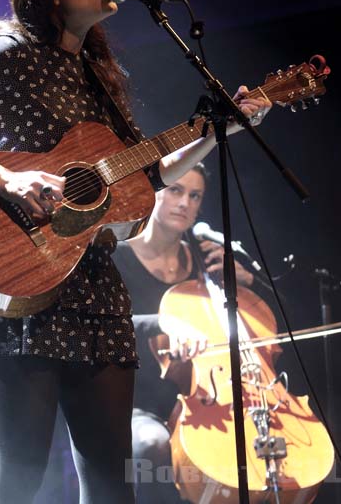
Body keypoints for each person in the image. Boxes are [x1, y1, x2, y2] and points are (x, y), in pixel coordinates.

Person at [0, 0, 270, 504]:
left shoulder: (100, 77)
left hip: (95, 292)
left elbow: (140, 180)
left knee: (111, 479)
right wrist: (4, 176)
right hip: (17, 273)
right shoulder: (8, 49)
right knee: (20, 476)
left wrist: (219, 131)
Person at [112, 163, 258, 503]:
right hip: (134, 402)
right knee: (153, 445)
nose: (184, 203)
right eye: (175, 190)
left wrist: (246, 283)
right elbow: (102, 324)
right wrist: (164, 322)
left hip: (206, 397)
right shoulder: (116, 256)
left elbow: (246, 328)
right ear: (151, 192)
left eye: (195, 196)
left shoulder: (206, 263)